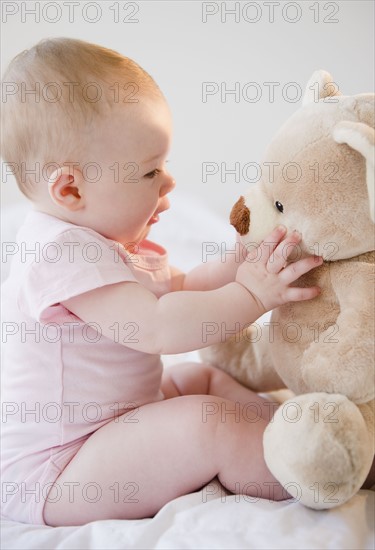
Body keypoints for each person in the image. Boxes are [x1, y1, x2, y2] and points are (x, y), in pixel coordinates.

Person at [1, 38, 323, 527]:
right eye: (151, 170)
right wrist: (252, 295)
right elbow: (157, 327)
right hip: (60, 469)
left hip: (115, 423)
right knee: (205, 425)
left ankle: (296, 437)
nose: (170, 182)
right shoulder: (58, 252)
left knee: (203, 381)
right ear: (70, 189)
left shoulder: (107, 243)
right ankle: (312, 473)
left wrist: (237, 265)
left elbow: (181, 290)